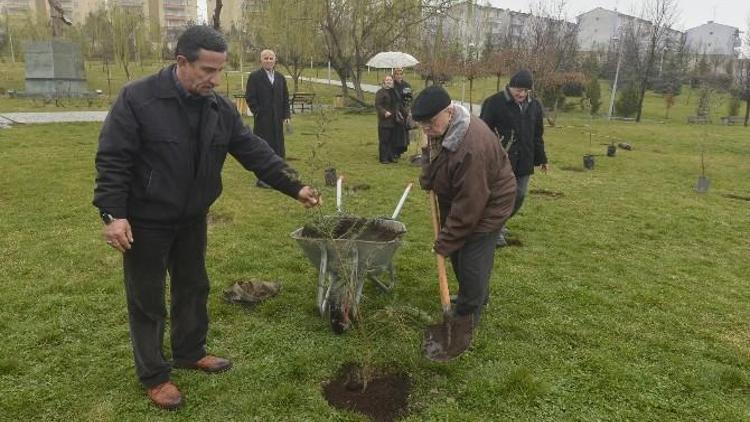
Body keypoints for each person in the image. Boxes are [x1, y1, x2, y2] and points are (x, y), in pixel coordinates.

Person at [93, 26, 320, 410]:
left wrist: (292, 185)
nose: (215, 79)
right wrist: (114, 215)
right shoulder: (139, 99)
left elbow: (252, 149)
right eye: (207, 70)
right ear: (181, 62)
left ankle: (189, 350)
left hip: (192, 216)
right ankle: (154, 375)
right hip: (147, 220)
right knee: (146, 299)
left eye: (220, 70)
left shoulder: (218, 108)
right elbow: (113, 159)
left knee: (194, 286)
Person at [413, 85, 516, 322]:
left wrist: (444, 241)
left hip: (489, 203)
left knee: (471, 259)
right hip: (462, 197)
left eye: (430, 122)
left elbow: (469, 207)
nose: (427, 129)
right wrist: (428, 178)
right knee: (458, 253)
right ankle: (477, 296)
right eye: (422, 124)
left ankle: (466, 318)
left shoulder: (471, 147)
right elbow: (436, 160)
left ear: (449, 111)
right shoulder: (443, 129)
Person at [480, 69, 549, 247]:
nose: (521, 93)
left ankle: (499, 223)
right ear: (510, 87)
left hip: (525, 159)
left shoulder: (534, 106)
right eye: (518, 89)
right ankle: (494, 229)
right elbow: (483, 132)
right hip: (501, 160)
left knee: (519, 195)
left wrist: (542, 158)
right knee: (500, 196)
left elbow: (537, 134)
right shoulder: (494, 103)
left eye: (526, 90)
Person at [245, 49, 291, 187]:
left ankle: (279, 174)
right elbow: (250, 97)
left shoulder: (280, 78)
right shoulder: (254, 77)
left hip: (277, 120)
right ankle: (262, 179)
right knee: (263, 148)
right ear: (261, 60)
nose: (269, 61)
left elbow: (285, 98)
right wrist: (258, 112)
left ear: (275, 60)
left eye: (271, 58)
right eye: (266, 58)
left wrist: (286, 115)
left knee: (278, 147)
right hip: (262, 121)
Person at [374, 74, 401, 164]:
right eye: (387, 80)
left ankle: (391, 157)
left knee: (392, 140)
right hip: (384, 120)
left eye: (390, 80)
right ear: (384, 82)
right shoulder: (380, 92)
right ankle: (383, 158)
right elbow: (378, 105)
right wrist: (384, 112)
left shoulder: (394, 92)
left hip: (393, 120)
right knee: (384, 140)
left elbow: (398, 103)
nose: (389, 81)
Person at [392, 68, 413, 158]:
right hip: (394, 110)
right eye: (397, 74)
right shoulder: (391, 85)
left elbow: (409, 99)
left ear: (403, 75)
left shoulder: (406, 85)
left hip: (404, 111)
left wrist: (407, 108)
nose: (399, 76)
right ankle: (393, 150)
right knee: (394, 132)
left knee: (403, 132)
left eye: (400, 74)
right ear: (394, 75)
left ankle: (400, 150)